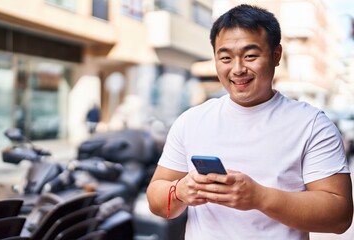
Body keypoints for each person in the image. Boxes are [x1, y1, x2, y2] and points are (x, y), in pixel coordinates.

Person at [146, 4, 353, 239]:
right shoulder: (191, 120)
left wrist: (259, 197)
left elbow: (340, 217)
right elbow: (156, 199)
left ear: (276, 55)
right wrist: (179, 191)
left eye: (250, 56)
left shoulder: (313, 125)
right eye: (225, 58)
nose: (237, 69)